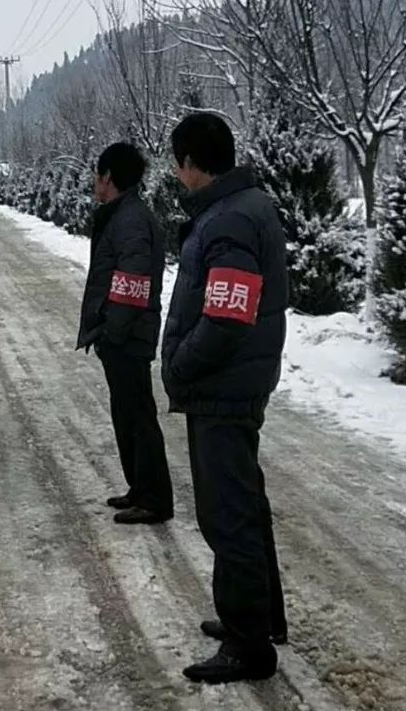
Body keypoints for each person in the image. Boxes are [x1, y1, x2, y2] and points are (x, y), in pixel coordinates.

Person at [161, 112, 289, 684]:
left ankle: (248, 645)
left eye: (177, 162)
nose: (176, 173)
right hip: (233, 383)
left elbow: (227, 318)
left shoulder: (230, 220)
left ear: (191, 164)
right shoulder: (242, 208)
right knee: (245, 504)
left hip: (223, 386)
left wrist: (181, 365)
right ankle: (260, 618)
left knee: (228, 514)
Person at [76, 142, 174, 525]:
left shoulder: (131, 220)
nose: (94, 183)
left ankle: (154, 499)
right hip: (121, 333)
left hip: (128, 336)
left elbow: (133, 284)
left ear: (109, 178)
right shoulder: (120, 214)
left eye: (98, 176)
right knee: (127, 413)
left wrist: (112, 331)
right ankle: (140, 489)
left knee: (138, 416)